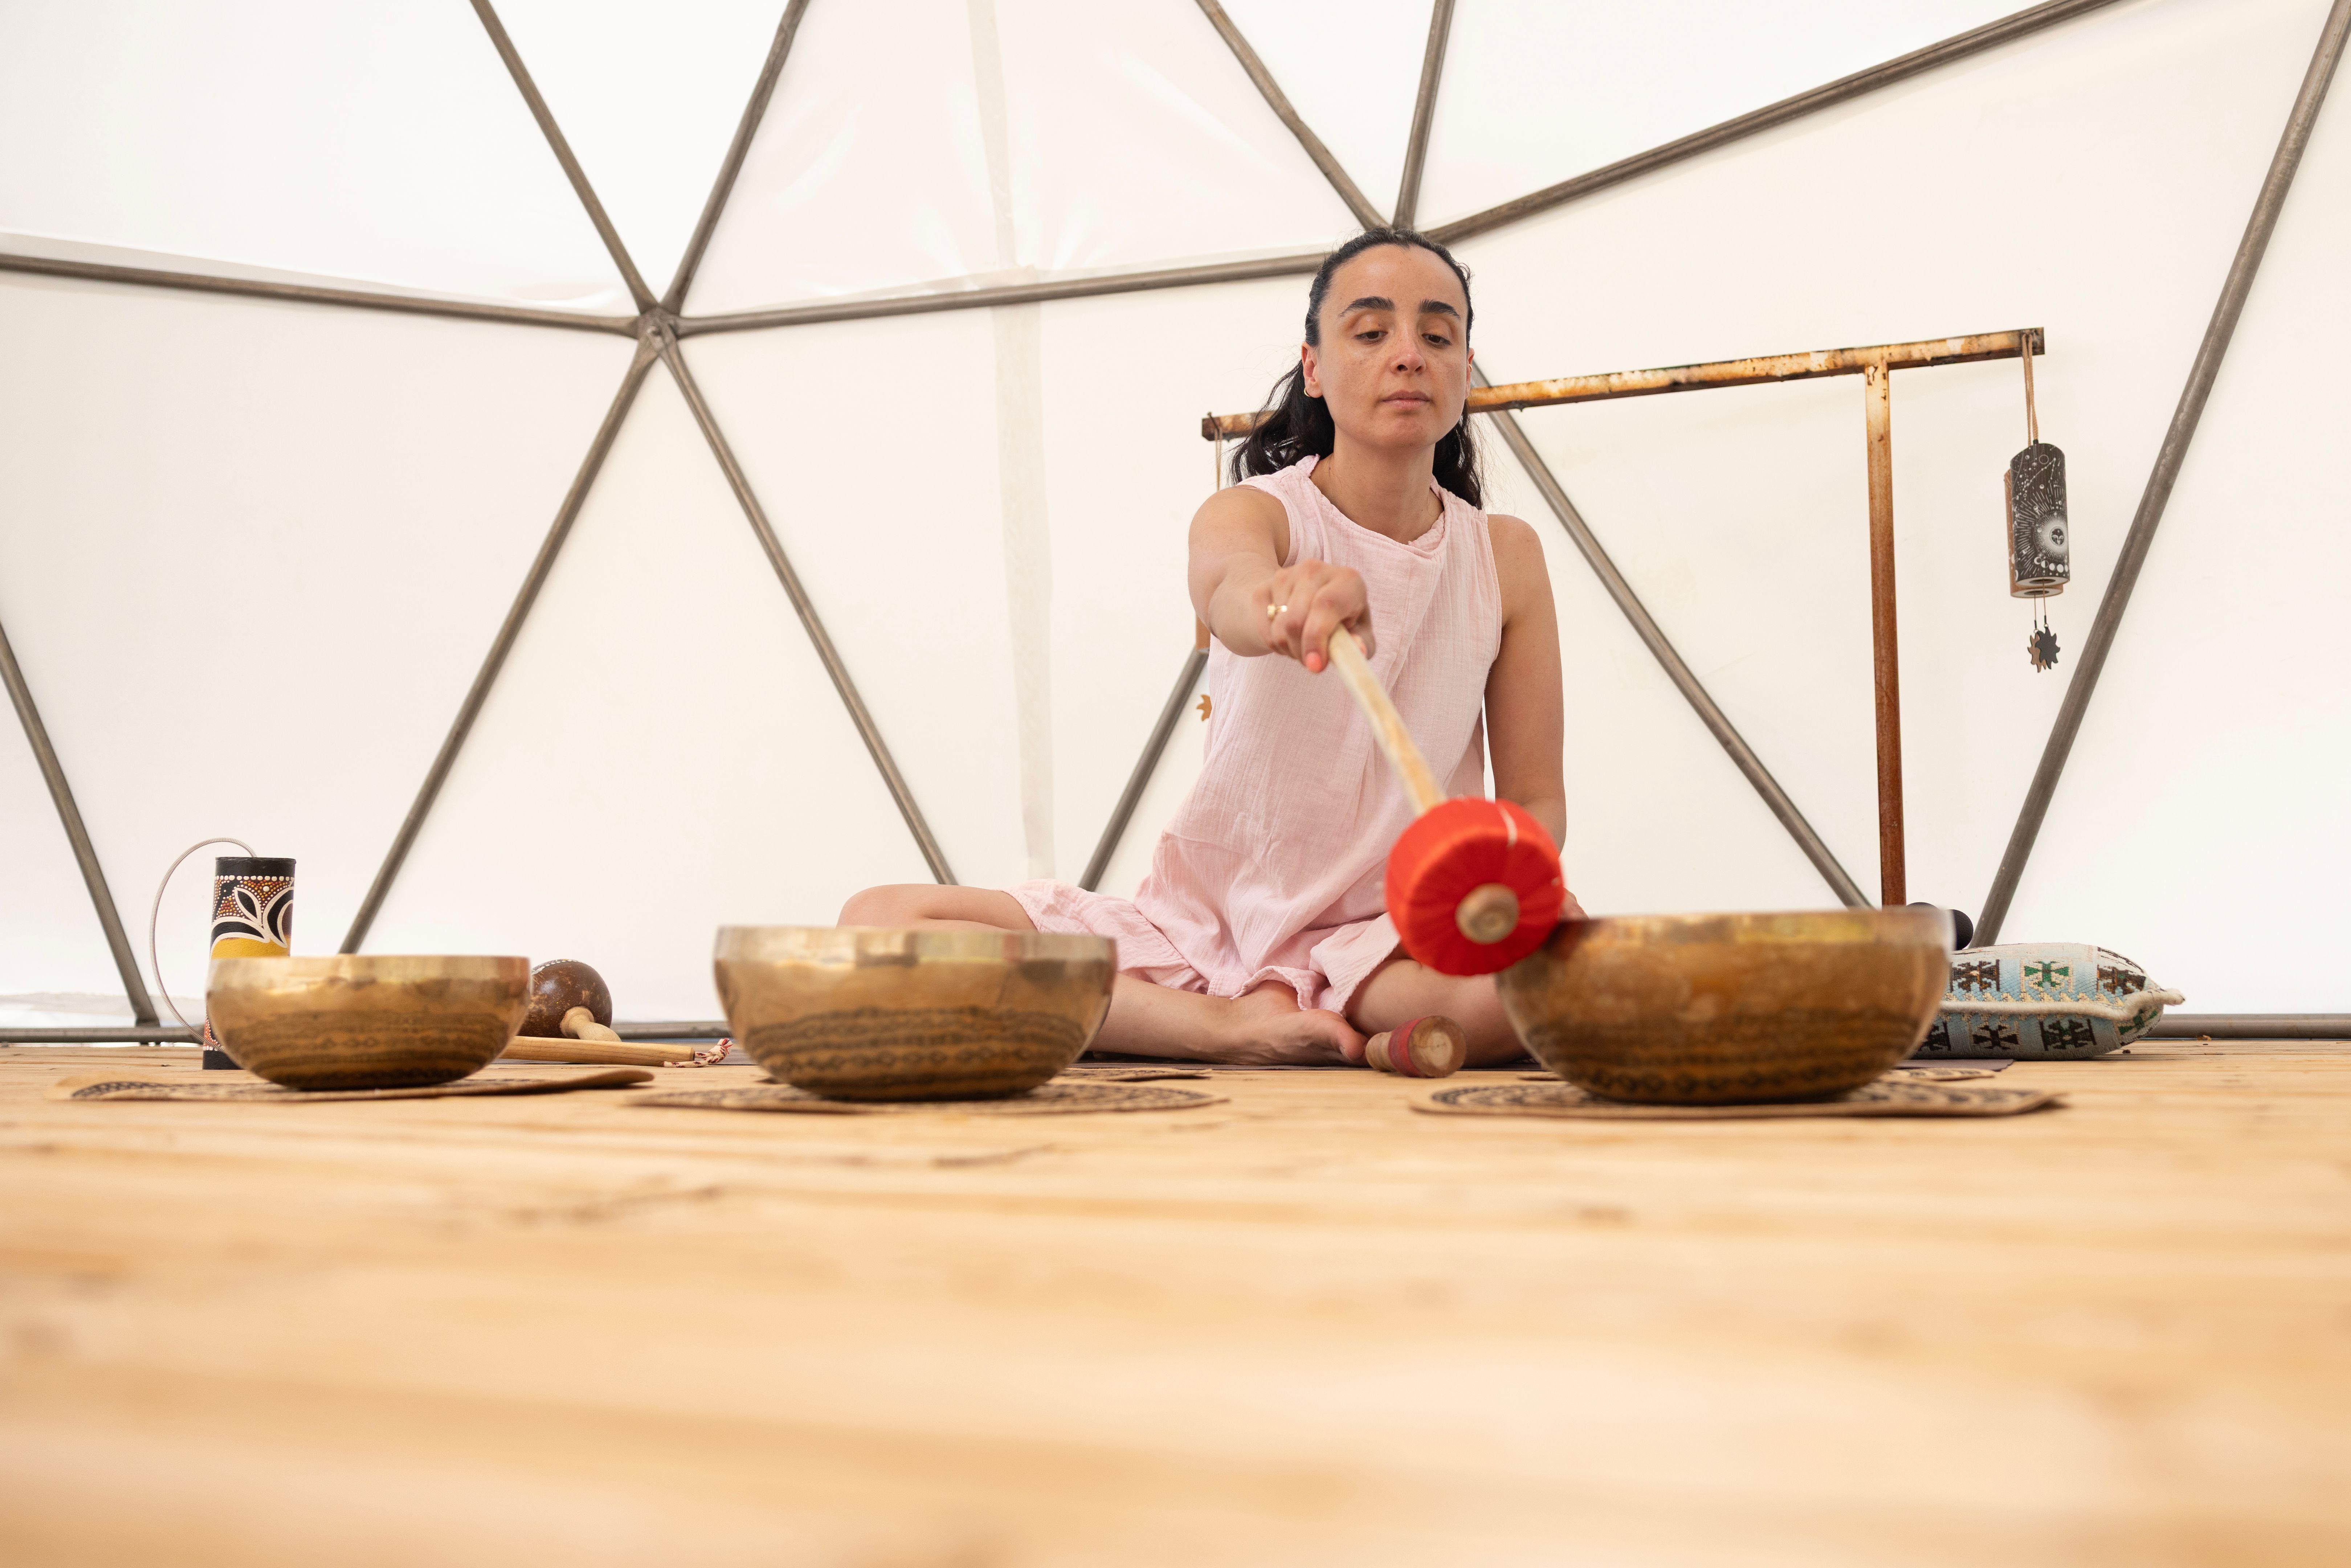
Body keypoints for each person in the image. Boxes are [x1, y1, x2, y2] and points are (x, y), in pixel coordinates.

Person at [841, 227, 1582, 1065]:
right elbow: (1229, 589)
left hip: (1384, 947)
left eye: (1437, 336)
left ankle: (1316, 1019)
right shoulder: (1259, 512)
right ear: (1313, 367)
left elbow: (1534, 803)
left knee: (1559, 977)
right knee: (880, 924)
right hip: (1201, 929)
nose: (1407, 355)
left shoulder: (1504, 556)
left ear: (1463, 368)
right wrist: (1280, 600)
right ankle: (1222, 1025)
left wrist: (1507, 882)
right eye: (1371, 333)